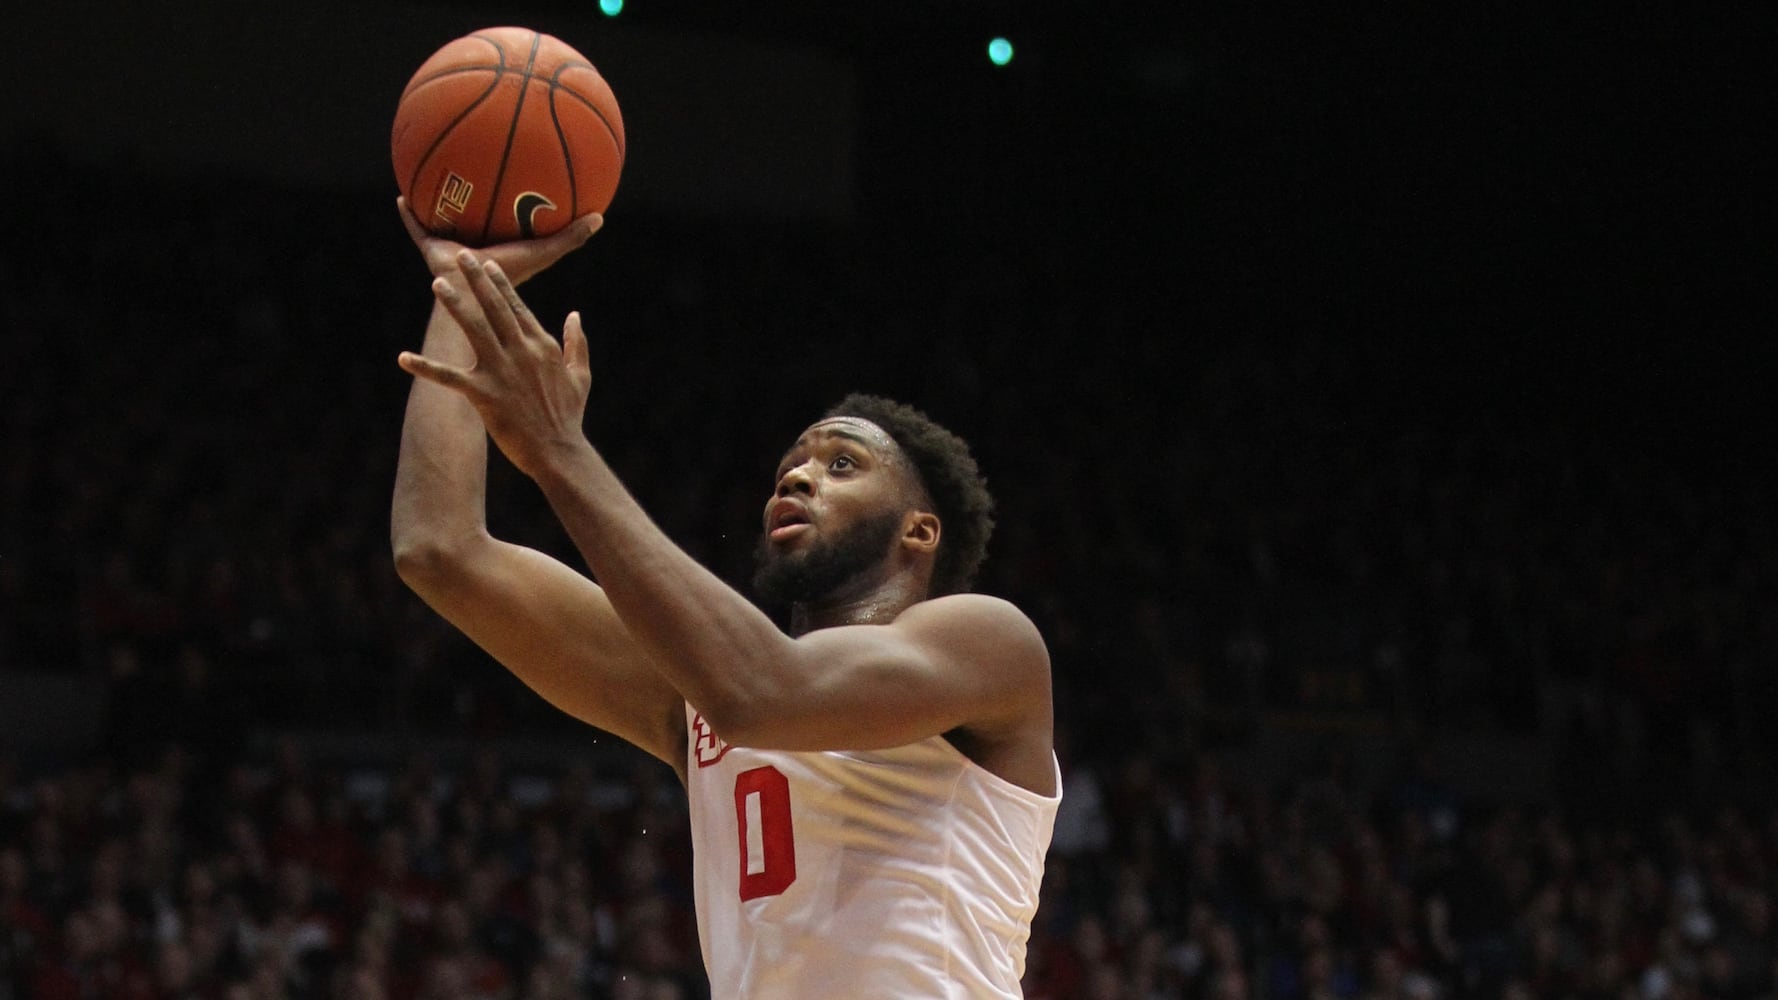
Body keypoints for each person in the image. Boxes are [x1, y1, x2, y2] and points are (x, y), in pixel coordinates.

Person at [387, 200, 1059, 997]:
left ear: (920, 532)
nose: (800, 475)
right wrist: (463, 290)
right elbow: (441, 550)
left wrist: (559, 451)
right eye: (792, 466)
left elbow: (764, 691)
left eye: (843, 465)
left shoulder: (988, 644)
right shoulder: (698, 699)